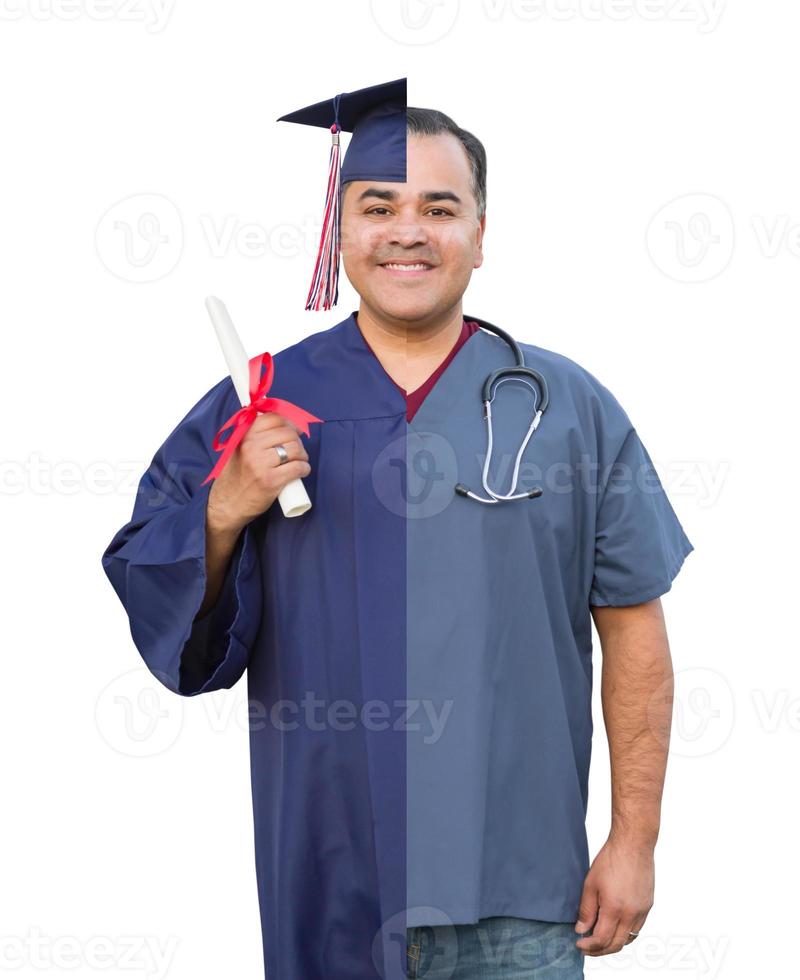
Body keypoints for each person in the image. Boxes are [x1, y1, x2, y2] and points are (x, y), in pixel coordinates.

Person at [101, 78, 694, 980]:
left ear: (481, 236)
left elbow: (634, 630)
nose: (408, 231)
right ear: (340, 233)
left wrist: (635, 839)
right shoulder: (260, 404)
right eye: (378, 207)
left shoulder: (568, 407)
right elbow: (157, 593)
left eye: (439, 208)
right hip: (332, 883)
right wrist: (226, 503)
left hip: (524, 897)